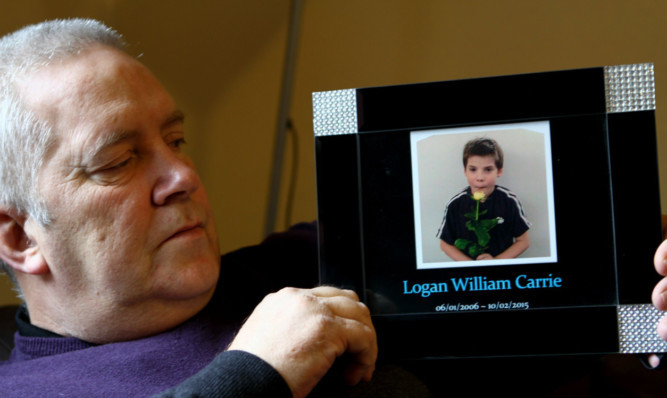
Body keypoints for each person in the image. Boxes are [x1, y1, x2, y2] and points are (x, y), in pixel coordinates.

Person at [0, 19, 378, 397]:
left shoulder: (289, 268)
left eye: (176, 140)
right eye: (117, 162)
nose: (183, 175)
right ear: (20, 238)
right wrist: (253, 375)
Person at [437, 137, 531, 261]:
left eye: (488, 170)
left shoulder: (509, 201)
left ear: (499, 171)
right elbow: (445, 244)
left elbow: (523, 241)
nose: (480, 177)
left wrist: (496, 262)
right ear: (465, 171)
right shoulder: (455, 204)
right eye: (473, 169)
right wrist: (470, 265)